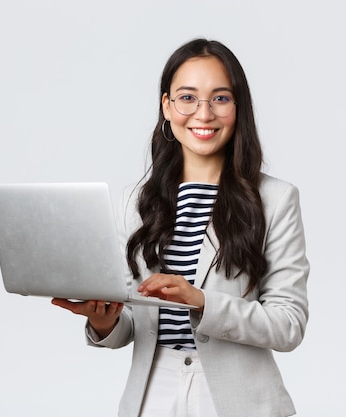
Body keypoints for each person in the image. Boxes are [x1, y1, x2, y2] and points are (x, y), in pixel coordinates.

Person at [52, 38, 309, 417]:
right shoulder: (135, 202)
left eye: (220, 98)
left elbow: (289, 324)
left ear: (238, 109)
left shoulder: (275, 199)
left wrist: (201, 301)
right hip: (152, 394)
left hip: (237, 401)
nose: (203, 114)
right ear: (167, 107)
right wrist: (103, 320)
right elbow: (130, 325)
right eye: (187, 98)